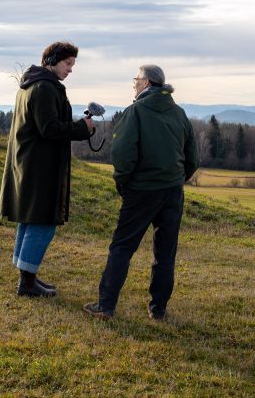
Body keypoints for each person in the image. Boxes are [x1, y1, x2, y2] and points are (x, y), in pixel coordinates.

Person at [83, 64, 199, 320]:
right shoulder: (179, 113)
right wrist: (178, 179)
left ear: (146, 83)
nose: (134, 84)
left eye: (136, 80)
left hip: (141, 190)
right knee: (165, 252)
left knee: (122, 247)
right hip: (172, 191)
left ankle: (106, 305)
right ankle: (158, 309)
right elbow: (192, 157)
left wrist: (123, 183)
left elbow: (123, 154)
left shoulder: (135, 112)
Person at [0, 42, 94, 297]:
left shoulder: (31, 86)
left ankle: (26, 277)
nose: (70, 69)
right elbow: (49, 129)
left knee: (31, 219)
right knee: (43, 220)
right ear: (51, 60)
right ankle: (27, 282)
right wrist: (82, 128)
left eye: (72, 64)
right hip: (41, 166)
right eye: (67, 63)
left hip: (30, 163)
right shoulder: (44, 88)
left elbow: (46, 124)